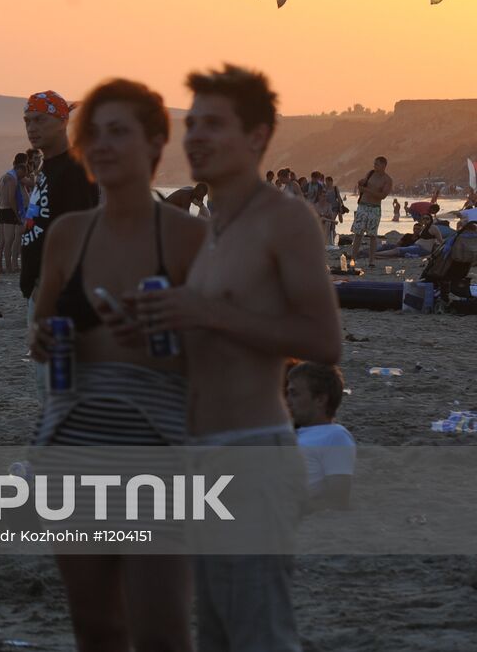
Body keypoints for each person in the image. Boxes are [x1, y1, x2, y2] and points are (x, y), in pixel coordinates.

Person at [130, 64, 342, 652]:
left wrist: (206, 314)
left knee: (258, 632)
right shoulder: (216, 226)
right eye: (191, 122)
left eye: (213, 124)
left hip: (252, 455)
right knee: (219, 635)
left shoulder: (285, 219)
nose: (194, 135)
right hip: (198, 458)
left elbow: (324, 341)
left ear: (256, 136)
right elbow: (216, 340)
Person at [28, 79, 207, 652]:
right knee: (97, 628)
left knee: (160, 630)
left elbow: (233, 355)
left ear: (156, 142)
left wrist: (170, 338)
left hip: (156, 446)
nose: (102, 145)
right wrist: (45, 341)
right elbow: (44, 327)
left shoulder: (189, 239)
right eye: (94, 134)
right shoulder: (67, 236)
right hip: (73, 442)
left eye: (119, 132)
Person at [20, 90, 99, 396]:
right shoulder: (47, 169)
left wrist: (52, 284)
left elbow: (79, 232)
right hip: (40, 292)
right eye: (27, 120)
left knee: (58, 387)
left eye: (39, 119)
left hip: (58, 295)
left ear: (62, 121)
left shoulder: (74, 170)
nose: (31, 127)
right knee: (48, 385)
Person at [286, 361, 356, 512]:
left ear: (320, 400)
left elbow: (338, 501)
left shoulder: (335, 436)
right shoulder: (292, 433)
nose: (287, 401)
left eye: (294, 394)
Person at [348, 156, 393, 268]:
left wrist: (367, 190)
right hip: (363, 206)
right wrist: (361, 183)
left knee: (373, 235)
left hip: (374, 208)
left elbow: (382, 196)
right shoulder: (370, 173)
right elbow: (363, 184)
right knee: (358, 233)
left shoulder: (387, 180)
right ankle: (353, 258)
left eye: (377, 164)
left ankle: (371, 260)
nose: (374, 166)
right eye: (374, 164)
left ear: (383, 165)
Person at [0, 153, 28, 274]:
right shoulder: (12, 179)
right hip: (9, 211)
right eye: (22, 174)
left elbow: (0, 196)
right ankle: (8, 267)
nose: (22, 177)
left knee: (2, 240)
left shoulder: (3, 177)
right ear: (19, 169)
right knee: (9, 240)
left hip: (0, 209)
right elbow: (11, 199)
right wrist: (17, 214)